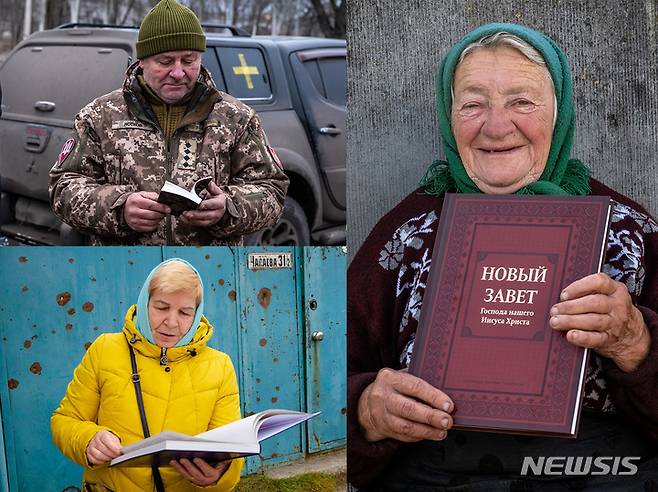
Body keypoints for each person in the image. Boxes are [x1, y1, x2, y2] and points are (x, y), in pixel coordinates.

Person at [348, 23, 658, 490]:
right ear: (448, 116)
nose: (496, 126)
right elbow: (330, 370)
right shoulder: (404, 235)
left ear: (560, 112)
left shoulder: (631, 231)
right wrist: (366, 408)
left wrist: (635, 344)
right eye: (473, 103)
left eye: (522, 101)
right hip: (439, 473)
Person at [49, 0, 289, 246]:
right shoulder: (99, 116)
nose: (178, 72)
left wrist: (229, 207)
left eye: (188, 60)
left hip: (209, 271)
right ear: (142, 61)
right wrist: (119, 208)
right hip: (124, 270)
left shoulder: (236, 118)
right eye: (165, 61)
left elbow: (273, 192)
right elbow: (63, 188)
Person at [51, 258, 243, 491]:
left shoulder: (219, 366)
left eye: (185, 312)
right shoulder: (105, 349)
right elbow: (65, 420)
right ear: (145, 302)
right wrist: (87, 439)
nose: (171, 323)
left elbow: (230, 448)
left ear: (197, 314)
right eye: (161, 307)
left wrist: (219, 476)